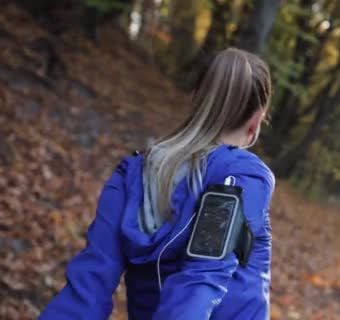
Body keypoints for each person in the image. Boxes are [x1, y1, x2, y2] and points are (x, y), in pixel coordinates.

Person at [39, 48, 275, 320]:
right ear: (256, 122)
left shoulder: (132, 175)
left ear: (196, 97)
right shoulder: (244, 177)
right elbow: (203, 278)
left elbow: (89, 284)